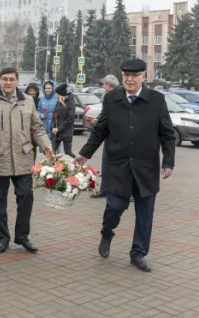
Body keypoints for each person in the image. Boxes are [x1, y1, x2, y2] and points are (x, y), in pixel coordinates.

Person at [74, 59, 176, 272]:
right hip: (118, 166)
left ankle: (138, 253)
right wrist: (85, 153)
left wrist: (168, 162)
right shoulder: (112, 99)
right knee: (114, 207)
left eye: (134, 75)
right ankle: (106, 233)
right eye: (126, 75)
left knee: (145, 214)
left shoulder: (156, 100)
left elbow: (167, 133)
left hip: (146, 168)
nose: (129, 79)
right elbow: (101, 130)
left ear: (143, 77)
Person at [0, 67, 53, 254]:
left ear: (17, 81)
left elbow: (37, 128)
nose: (8, 82)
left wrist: (46, 146)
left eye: (11, 79)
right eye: (4, 79)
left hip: (23, 158)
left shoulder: (27, 102)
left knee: (26, 197)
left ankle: (22, 236)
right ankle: (2, 238)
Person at [90, 75, 120, 199]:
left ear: (109, 85)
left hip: (120, 136)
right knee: (106, 163)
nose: (103, 86)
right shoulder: (106, 96)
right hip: (108, 135)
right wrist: (98, 120)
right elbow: (104, 114)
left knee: (120, 166)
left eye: (104, 84)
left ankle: (126, 192)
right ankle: (105, 189)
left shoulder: (119, 96)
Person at [51, 84, 76, 158]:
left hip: (66, 132)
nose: (55, 95)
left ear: (60, 94)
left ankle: (78, 165)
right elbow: (54, 116)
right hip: (56, 133)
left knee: (68, 153)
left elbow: (70, 118)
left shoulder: (71, 103)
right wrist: (52, 127)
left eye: (56, 93)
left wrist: (59, 128)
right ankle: (53, 168)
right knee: (52, 152)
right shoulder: (58, 103)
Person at [25, 83, 41, 162]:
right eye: (30, 91)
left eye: (34, 91)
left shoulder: (39, 101)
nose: (32, 92)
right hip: (26, 129)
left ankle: (32, 165)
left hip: (35, 128)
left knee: (33, 148)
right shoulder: (24, 101)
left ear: (37, 91)